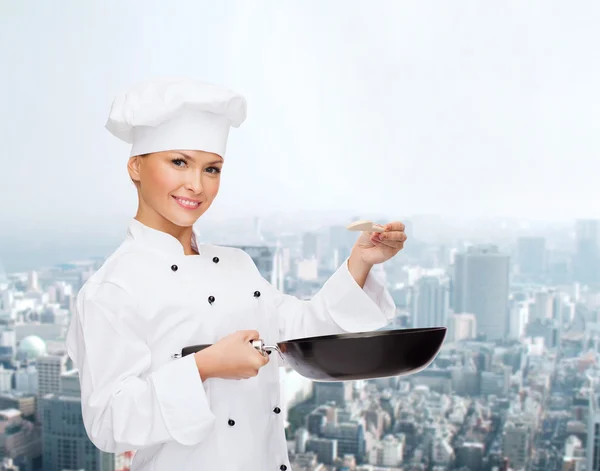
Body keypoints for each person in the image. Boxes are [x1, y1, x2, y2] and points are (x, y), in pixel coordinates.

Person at [65, 78, 408, 471]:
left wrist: (361, 262)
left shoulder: (236, 264)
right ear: (136, 166)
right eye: (179, 162)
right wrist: (204, 366)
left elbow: (302, 330)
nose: (196, 185)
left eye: (211, 169)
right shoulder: (113, 289)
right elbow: (110, 422)